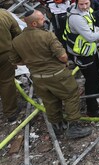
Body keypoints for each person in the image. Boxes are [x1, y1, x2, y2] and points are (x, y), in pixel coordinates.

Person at [10, 9, 92, 139]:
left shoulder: (17, 41)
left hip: (37, 78)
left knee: (50, 101)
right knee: (70, 96)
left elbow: (15, 61)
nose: (45, 20)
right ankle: (74, 127)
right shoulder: (47, 36)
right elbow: (63, 57)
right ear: (34, 24)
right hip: (57, 74)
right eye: (42, 19)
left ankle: (57, 125)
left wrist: (32, 62)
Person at [63, 0, 99, 117]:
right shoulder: (75, 18)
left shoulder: (86, 11)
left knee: (98, 70)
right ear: (76, 3)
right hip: (82, 53)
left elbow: (90, 21)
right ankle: (92, 109)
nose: (84, 7)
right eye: (81, 5)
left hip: (90, 49)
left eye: (86, 3)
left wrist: (98, 14)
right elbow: (90, 36)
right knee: (91, 79)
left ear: (89, 0)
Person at [0, 8, 22, 122]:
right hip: (4, 55)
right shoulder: (3, 14)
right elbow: (17, 33)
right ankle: (11, 112)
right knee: (7, 82)